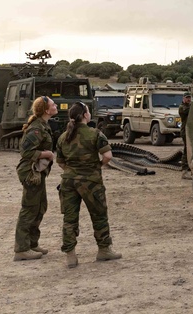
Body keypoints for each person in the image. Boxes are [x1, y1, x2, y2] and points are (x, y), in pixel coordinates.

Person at [56, 101, 121, 268]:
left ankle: (70, 255)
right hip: (91, 182)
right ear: (85, 115)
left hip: (69, 181)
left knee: (69, 218)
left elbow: (60, 162)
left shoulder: (64, 136)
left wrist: (72, 171)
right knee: (99, 215)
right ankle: (104, 249)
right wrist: (97, 166)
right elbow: (107, 156)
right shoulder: (96, 134)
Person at [14, 96, 57, 261]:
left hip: (38, 173)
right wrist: (45, 154)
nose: (56, 106)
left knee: (40, 207)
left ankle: (32, 243)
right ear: (46, 110)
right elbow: (25, 152)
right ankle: (21, 249)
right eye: (53, 104)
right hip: (30, 173)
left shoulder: (43, 126)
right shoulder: (36, 129)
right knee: (30, 208)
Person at [178, 94, 191, 172]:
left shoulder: (189, 105)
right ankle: (184, 166)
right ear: (183, 99)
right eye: (187, 98)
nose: (188, 99)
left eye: (189, 97)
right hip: (185, 130)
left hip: (190, 130)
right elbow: (186, 111)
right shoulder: (182, 107)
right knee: (186, 148)